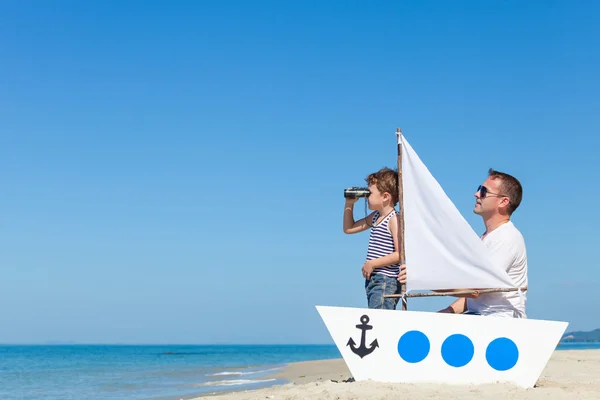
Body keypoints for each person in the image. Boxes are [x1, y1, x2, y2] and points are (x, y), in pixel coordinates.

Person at [397, 168, 528, 318]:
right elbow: (472, 295)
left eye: (484, 191)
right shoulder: (487, 237)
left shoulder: (506, 238)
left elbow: (475, 291)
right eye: (479, 189)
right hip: (480, 315)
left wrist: (421, 276)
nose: (477, 194)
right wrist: (446, 313)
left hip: (500, 319)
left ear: (503, 201)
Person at [343, 167, 402, 309]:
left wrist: (372, 263)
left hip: (386, 280)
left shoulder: (394, 219)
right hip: (375, 280)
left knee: (380, 320)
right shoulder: (376, 217)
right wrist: (349, 204)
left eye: (370, 193)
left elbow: (400, 254)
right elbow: (349, 228)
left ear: (385, 197)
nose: (367, 196)